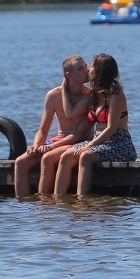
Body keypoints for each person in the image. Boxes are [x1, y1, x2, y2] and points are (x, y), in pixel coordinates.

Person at [53, 53, 136, 196]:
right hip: (99, 141)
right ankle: (58, 199)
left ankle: (81, 200)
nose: (88, 69)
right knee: (66, 156)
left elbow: (111, 128)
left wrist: (88, 145)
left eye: (92, 66)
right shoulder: (96, 93)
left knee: (85, 156)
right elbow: (76, 118)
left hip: (118, 142)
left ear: (100, 72)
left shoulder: (115, 94)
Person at [13, 55, 90, 196]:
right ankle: (22, 207)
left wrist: (51, 147)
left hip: (78, 141)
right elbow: (43, 130)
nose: (87, 70)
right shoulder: (53, 95)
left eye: (86, 66)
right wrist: (36, 146)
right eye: (81, 68)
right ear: (68, 74)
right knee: (20, 162)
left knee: (47, 158)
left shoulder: (89, 96)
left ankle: (44, 204)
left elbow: (79, 133)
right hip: (59, 139)